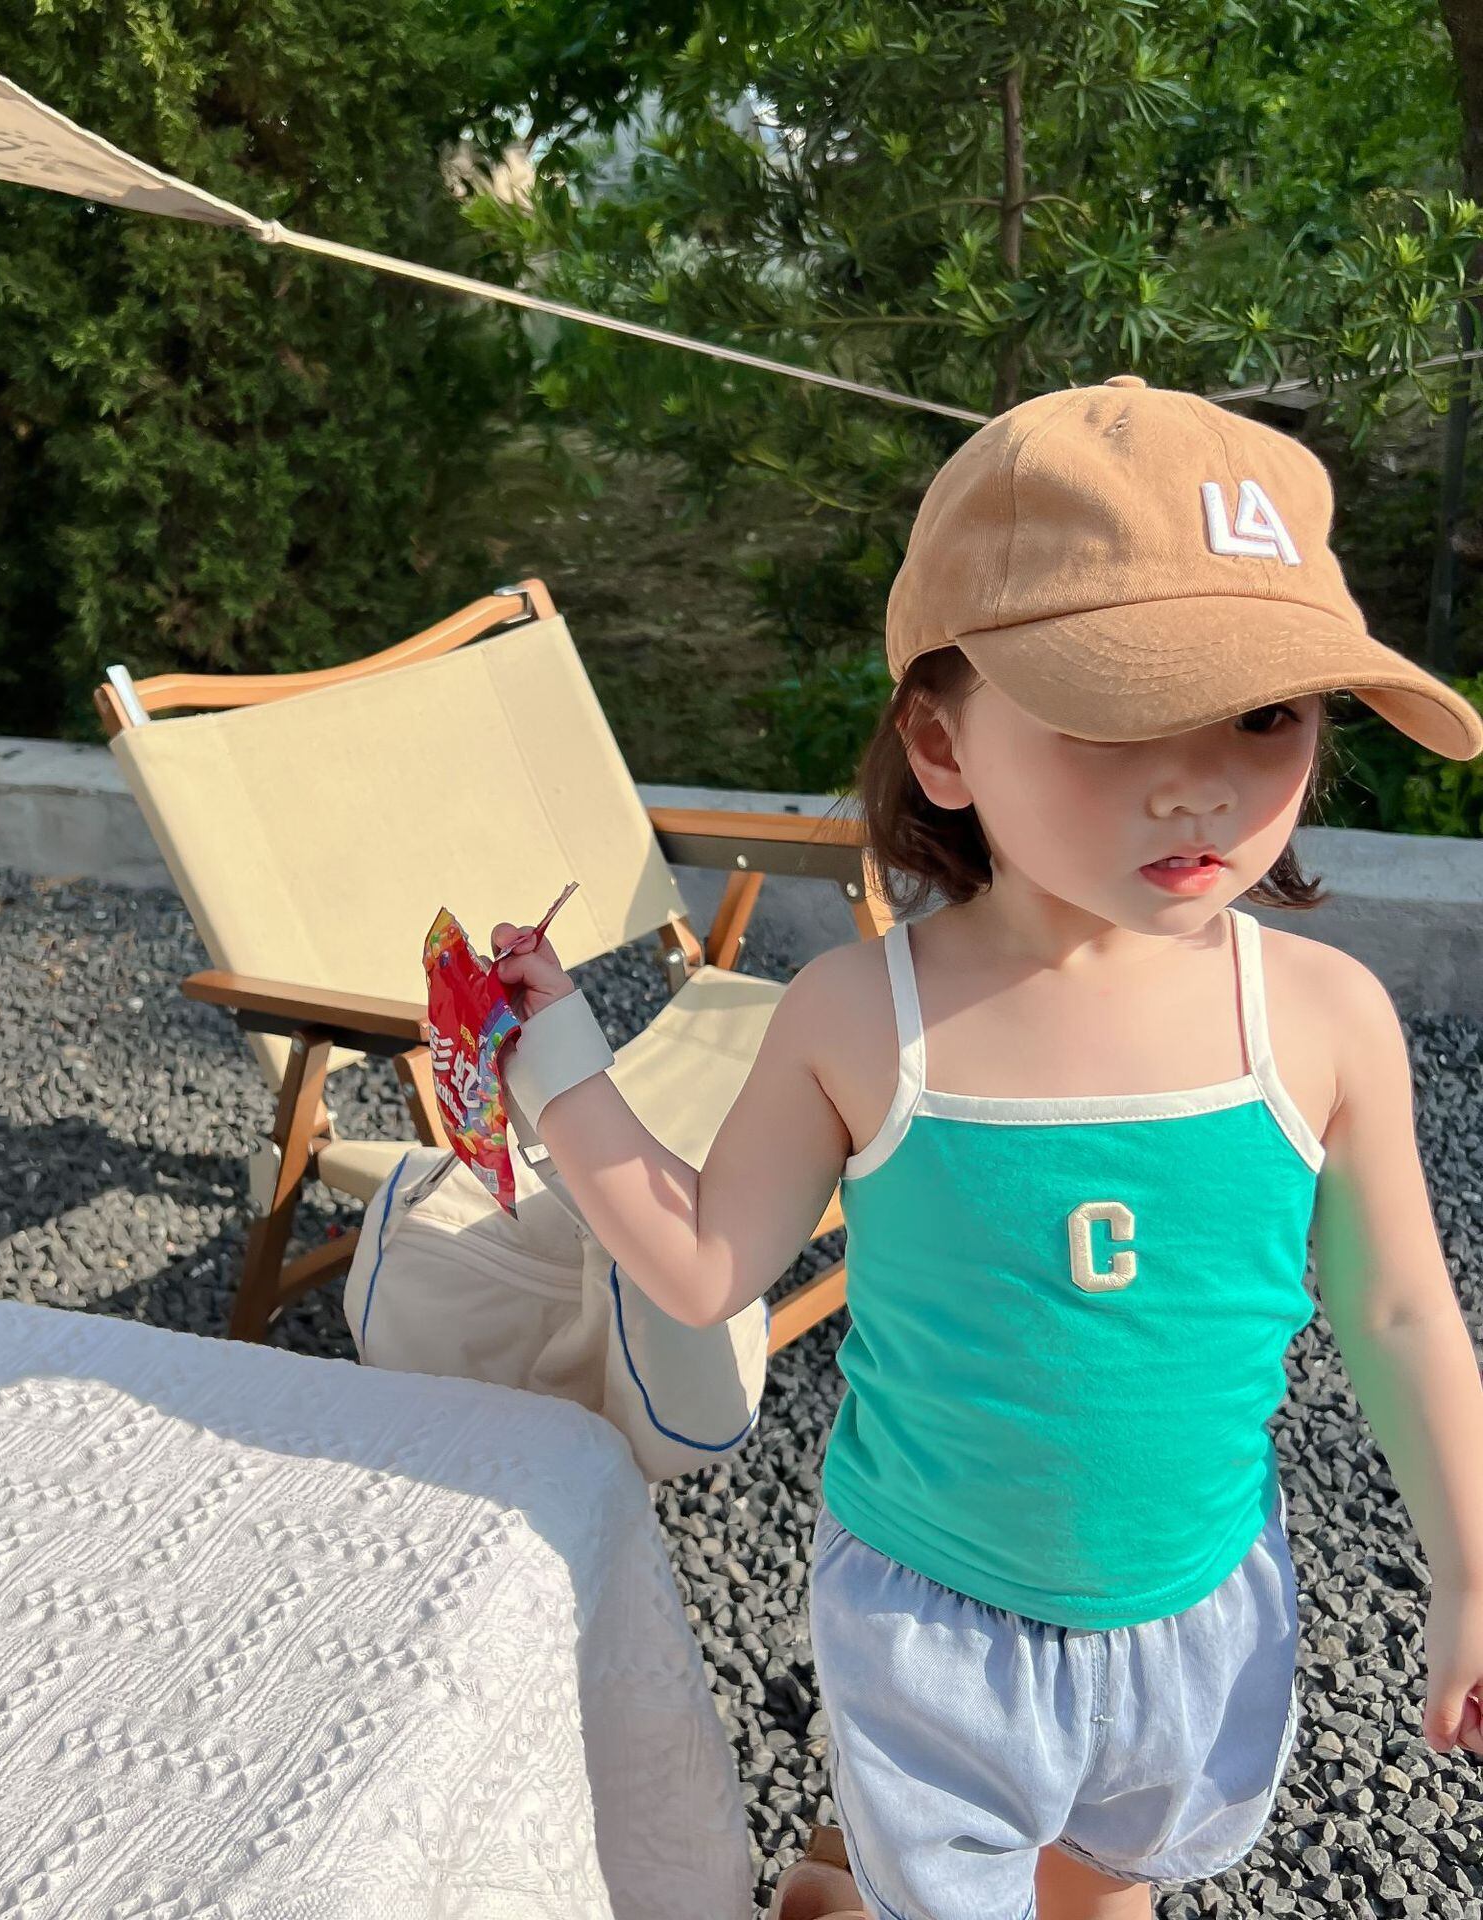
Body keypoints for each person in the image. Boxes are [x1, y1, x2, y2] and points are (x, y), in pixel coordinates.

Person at [491, 375, 1483, 1920]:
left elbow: (1404, 1311)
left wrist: (1472, 1571)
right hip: (930, 1616)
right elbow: (702, 1266)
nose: (1202, 780)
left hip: (1201, 1603)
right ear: (941, 742)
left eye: (1266, 712)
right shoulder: (860, 1017)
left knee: (1114, 1882)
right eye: (1115, 712)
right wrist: (554, 1061)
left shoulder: (1320, 1017)